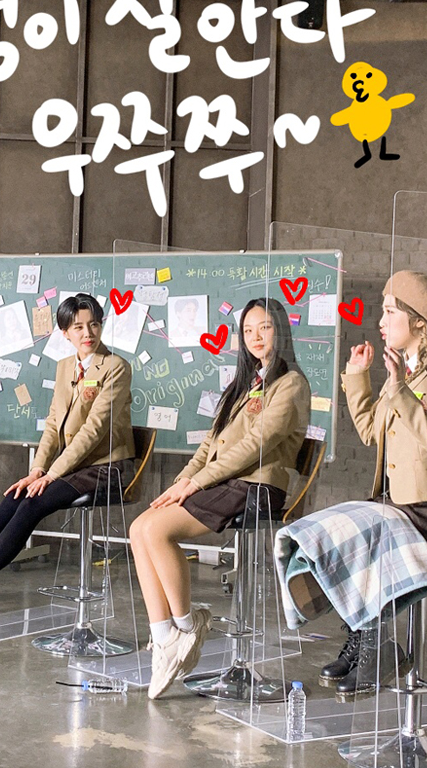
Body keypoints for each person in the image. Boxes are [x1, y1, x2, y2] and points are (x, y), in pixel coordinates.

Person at [0, 293, 135, 622]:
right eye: (78, 327)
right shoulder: (65, 366)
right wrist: (37, 470)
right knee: (16, 495)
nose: (88, 333)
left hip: (106, 468)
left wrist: (52, 475)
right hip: (73, 466)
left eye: (94, 324)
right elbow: (53, 425)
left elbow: (94, 430)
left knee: (33, 503)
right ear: (65, 333)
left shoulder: (116, 367)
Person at [129, 297, 311, 699]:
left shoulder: (291, 384)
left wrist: (196, 485)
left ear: (280, 330)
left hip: (258, 487)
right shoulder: (245, 383)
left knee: (157, 532)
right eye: (248, 330)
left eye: (264, 327)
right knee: (140, 527)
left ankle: (189, 626)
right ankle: (165, 637)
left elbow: (254, 446)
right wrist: (181, 481)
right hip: (227, 482)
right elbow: (209, 445)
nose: (256, 337)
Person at [315, 270, 427, 697]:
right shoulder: (405, 372)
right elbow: (370, 432)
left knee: (373, 529)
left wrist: (400, 390)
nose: (381, 321)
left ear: (419, 323)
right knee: (353, 526)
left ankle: (374, 647)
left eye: (390, 312)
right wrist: (359, 376)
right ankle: (365, 640)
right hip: (407, 507)